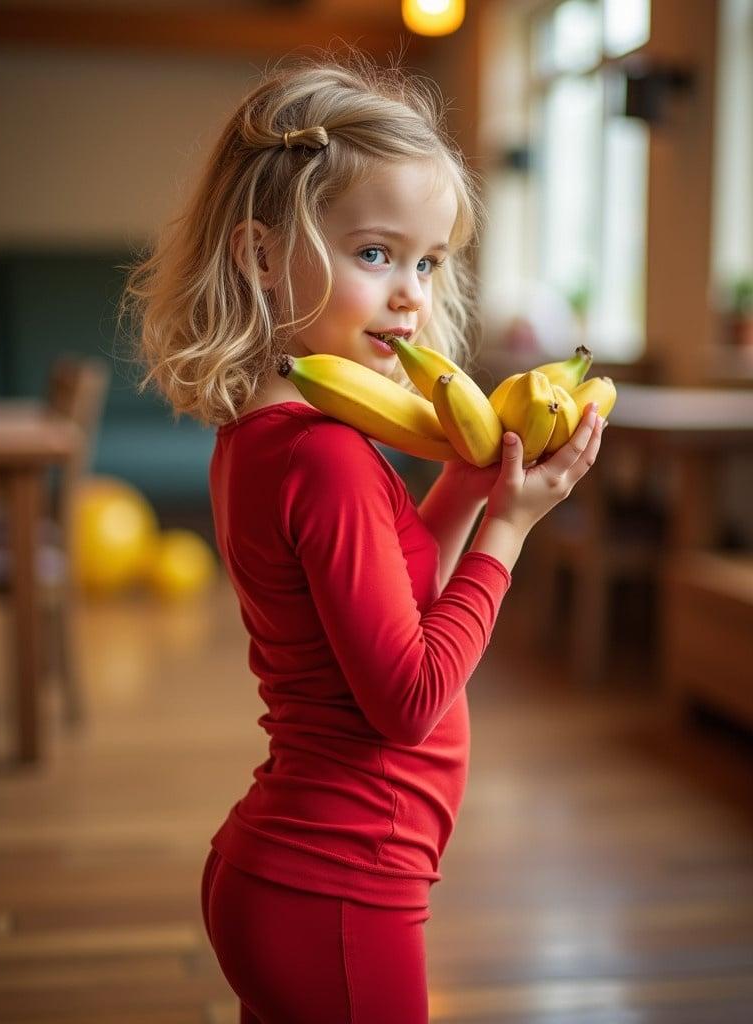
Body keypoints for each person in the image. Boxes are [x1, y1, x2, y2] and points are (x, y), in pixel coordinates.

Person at [121, 48, 605, 1024]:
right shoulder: (328, 459)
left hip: (294, 872)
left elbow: (384, 596)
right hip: (340, 884)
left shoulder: (269, 437)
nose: (412, 294)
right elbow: (410, 695)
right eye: (376, 253)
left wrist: (466, 496)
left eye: (429, 262)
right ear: (261, 255)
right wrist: (508, 535)